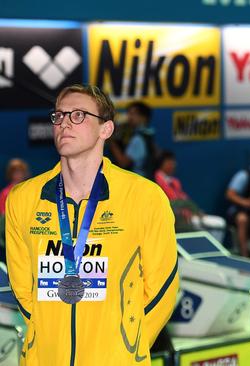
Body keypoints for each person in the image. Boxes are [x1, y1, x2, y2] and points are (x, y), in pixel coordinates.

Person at [5, 84, 179, 365]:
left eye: (78, 115)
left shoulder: (144, 197)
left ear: (106, 129)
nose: (65, 123)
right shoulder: (23, 199)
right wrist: (48, 339)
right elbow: (23, 289)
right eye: (59, 116)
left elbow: (163, 286)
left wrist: (125, 344)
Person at [155, 150, 225, 233]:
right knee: (217, 224)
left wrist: (196, 211)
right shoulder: (155, 181)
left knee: (220, 223)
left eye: (173, 162)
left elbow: (184, 199)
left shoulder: (175, 181)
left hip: (188, 215)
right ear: (163, 163)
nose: (174, 165)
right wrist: (183, 212)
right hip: (174, 218)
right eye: (170, 162)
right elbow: (169, 203)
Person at [109, 101, 157, 179]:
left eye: (133, 114)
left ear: (143, 117)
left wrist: (111, 141)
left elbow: (123, 162)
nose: (129, 117)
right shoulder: (148, 135)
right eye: (128, 113)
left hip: (138, 181)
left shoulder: (138, 139)